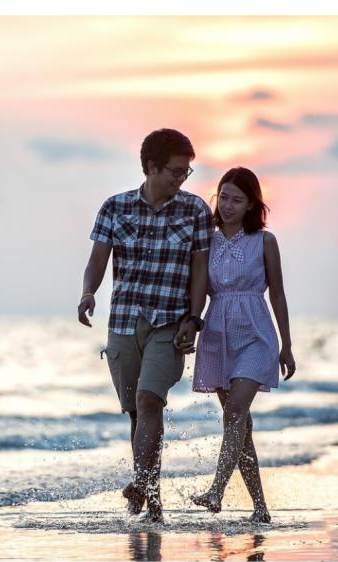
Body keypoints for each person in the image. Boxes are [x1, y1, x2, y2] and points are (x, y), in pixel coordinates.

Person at [78, 128, 213, 523]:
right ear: (152, 168)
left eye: (187, 172)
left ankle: (141, 487)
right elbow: (97, 260)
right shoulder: (114, 208)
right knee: (137, 414)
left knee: (150, 400)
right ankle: (150, 500)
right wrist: (88, 293)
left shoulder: (195, 211)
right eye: (175, 171)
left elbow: (200, 272)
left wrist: (193, 318)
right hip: (123, 322)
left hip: (169, 324)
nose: (182, 179)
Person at [189, 166, 296, 523]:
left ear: (252, 204)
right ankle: (261, 509)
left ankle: (216, 491)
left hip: (255, 334)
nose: (229, 205)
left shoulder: (265, 241)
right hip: (217, 335)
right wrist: (187, 327)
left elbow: (278, 293)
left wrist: (287, 344)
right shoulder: (207, 238)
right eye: (224, 197)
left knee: (235, 412)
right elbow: (199, 291)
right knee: (240, 425)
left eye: (238, 199)